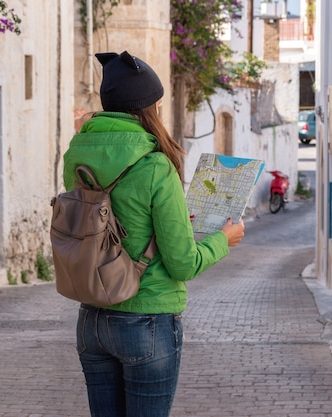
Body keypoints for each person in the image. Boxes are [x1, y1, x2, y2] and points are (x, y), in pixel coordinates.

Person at [61, 51, 245, 417]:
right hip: (147, 318)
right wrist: (224, 239)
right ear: (149, 107)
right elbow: (182, 264)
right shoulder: (155, 164)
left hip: (92, 318)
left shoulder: (76, 153)